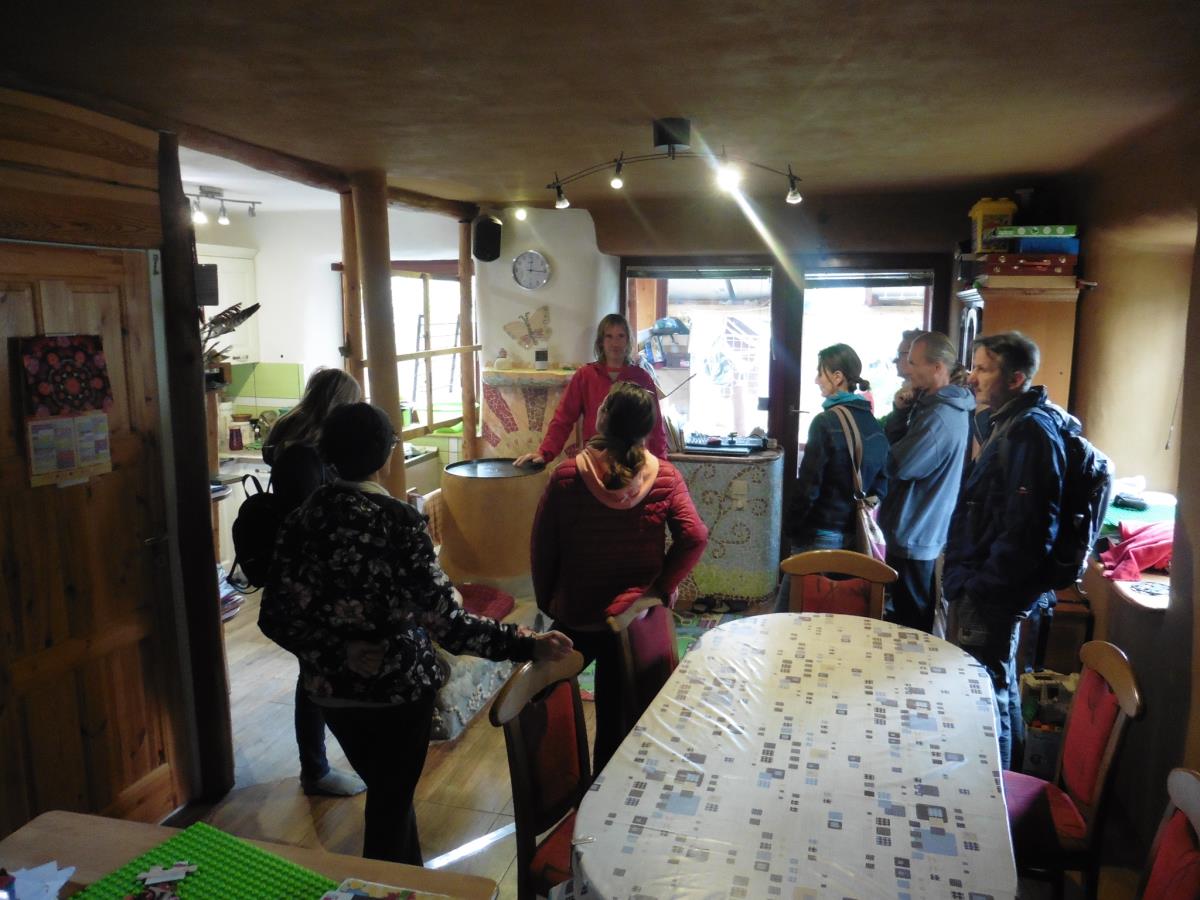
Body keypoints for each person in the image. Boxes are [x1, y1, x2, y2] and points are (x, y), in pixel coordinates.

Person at [262, 402, 573, 864]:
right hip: (398, 692)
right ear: (388, 453)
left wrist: (339, 651)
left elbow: (274, 616)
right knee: (390, 805)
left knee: (389, 798)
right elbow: (449, 624)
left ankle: (402, 881)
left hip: (331, 691)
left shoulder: (300, 521)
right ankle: (387, 887)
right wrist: (526, 643)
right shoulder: (397, 521)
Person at [531, 382, 708, 772]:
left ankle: (561, 781)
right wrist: (661, 588)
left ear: (604, 418)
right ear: (646, 427)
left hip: (578, 612)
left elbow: (543, 548)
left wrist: (548, 601)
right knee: (617, 719)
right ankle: (606, 786)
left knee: (544, 698)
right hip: (633, 619)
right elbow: (695, 536)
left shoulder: (566, 476)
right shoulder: (665, 477)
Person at [943, 332, 1068, 770]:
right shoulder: (1009, 421)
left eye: (984, 369)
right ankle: (1005, 777)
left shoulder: (1028, 432)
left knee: (984, 691)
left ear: (1015, 379)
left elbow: (1029, 527)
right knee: (997, 683)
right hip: (987, 583)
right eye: (974, 367)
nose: (972, 378)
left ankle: (995, 784)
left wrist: (981, 585)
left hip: (992, 590)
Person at [260, 367, 366, 797]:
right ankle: (316, 770)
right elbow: (311, 521)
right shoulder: (303, 457)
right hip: (308, 582)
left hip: (300, 578)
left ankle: (318, 766)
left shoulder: (294, 443)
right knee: (315, 673)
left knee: (315, 671)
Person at [877, 332, 972, 633]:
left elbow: (898, 465)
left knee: (911, 625)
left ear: (937, 367)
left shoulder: (940, 416)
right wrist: (901, 411)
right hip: (916, 525)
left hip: (915, 527)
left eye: (914, 362)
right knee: (907, 613)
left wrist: (883, 452)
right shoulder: (929, 404)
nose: (907, 368)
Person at [514, 313, 669, 467]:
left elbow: (655, 426)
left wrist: (662, 465)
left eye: (620, 336)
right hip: (595, 460)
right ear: (601, 341)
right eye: (609, 336)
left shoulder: (642, 377)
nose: (615, 343)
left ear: (628, 340)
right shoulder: (585, 376)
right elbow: (563, 419)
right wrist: (544, 452)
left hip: (632, 460)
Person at [879, 328, 926, 444]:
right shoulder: (910, 396)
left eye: (899, 354)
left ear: (915, 356)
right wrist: (900, 410)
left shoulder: (926, 401)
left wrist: (900, 413)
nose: (895, 360)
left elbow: (895, 446)